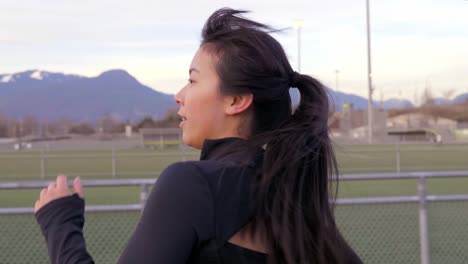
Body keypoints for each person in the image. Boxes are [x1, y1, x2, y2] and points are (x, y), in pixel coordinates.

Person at [34, 8, 362, 264]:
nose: (179, 95)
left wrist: (61, 225)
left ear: (236, 100)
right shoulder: (296, 197)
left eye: (192, 81)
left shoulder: (195, 185)